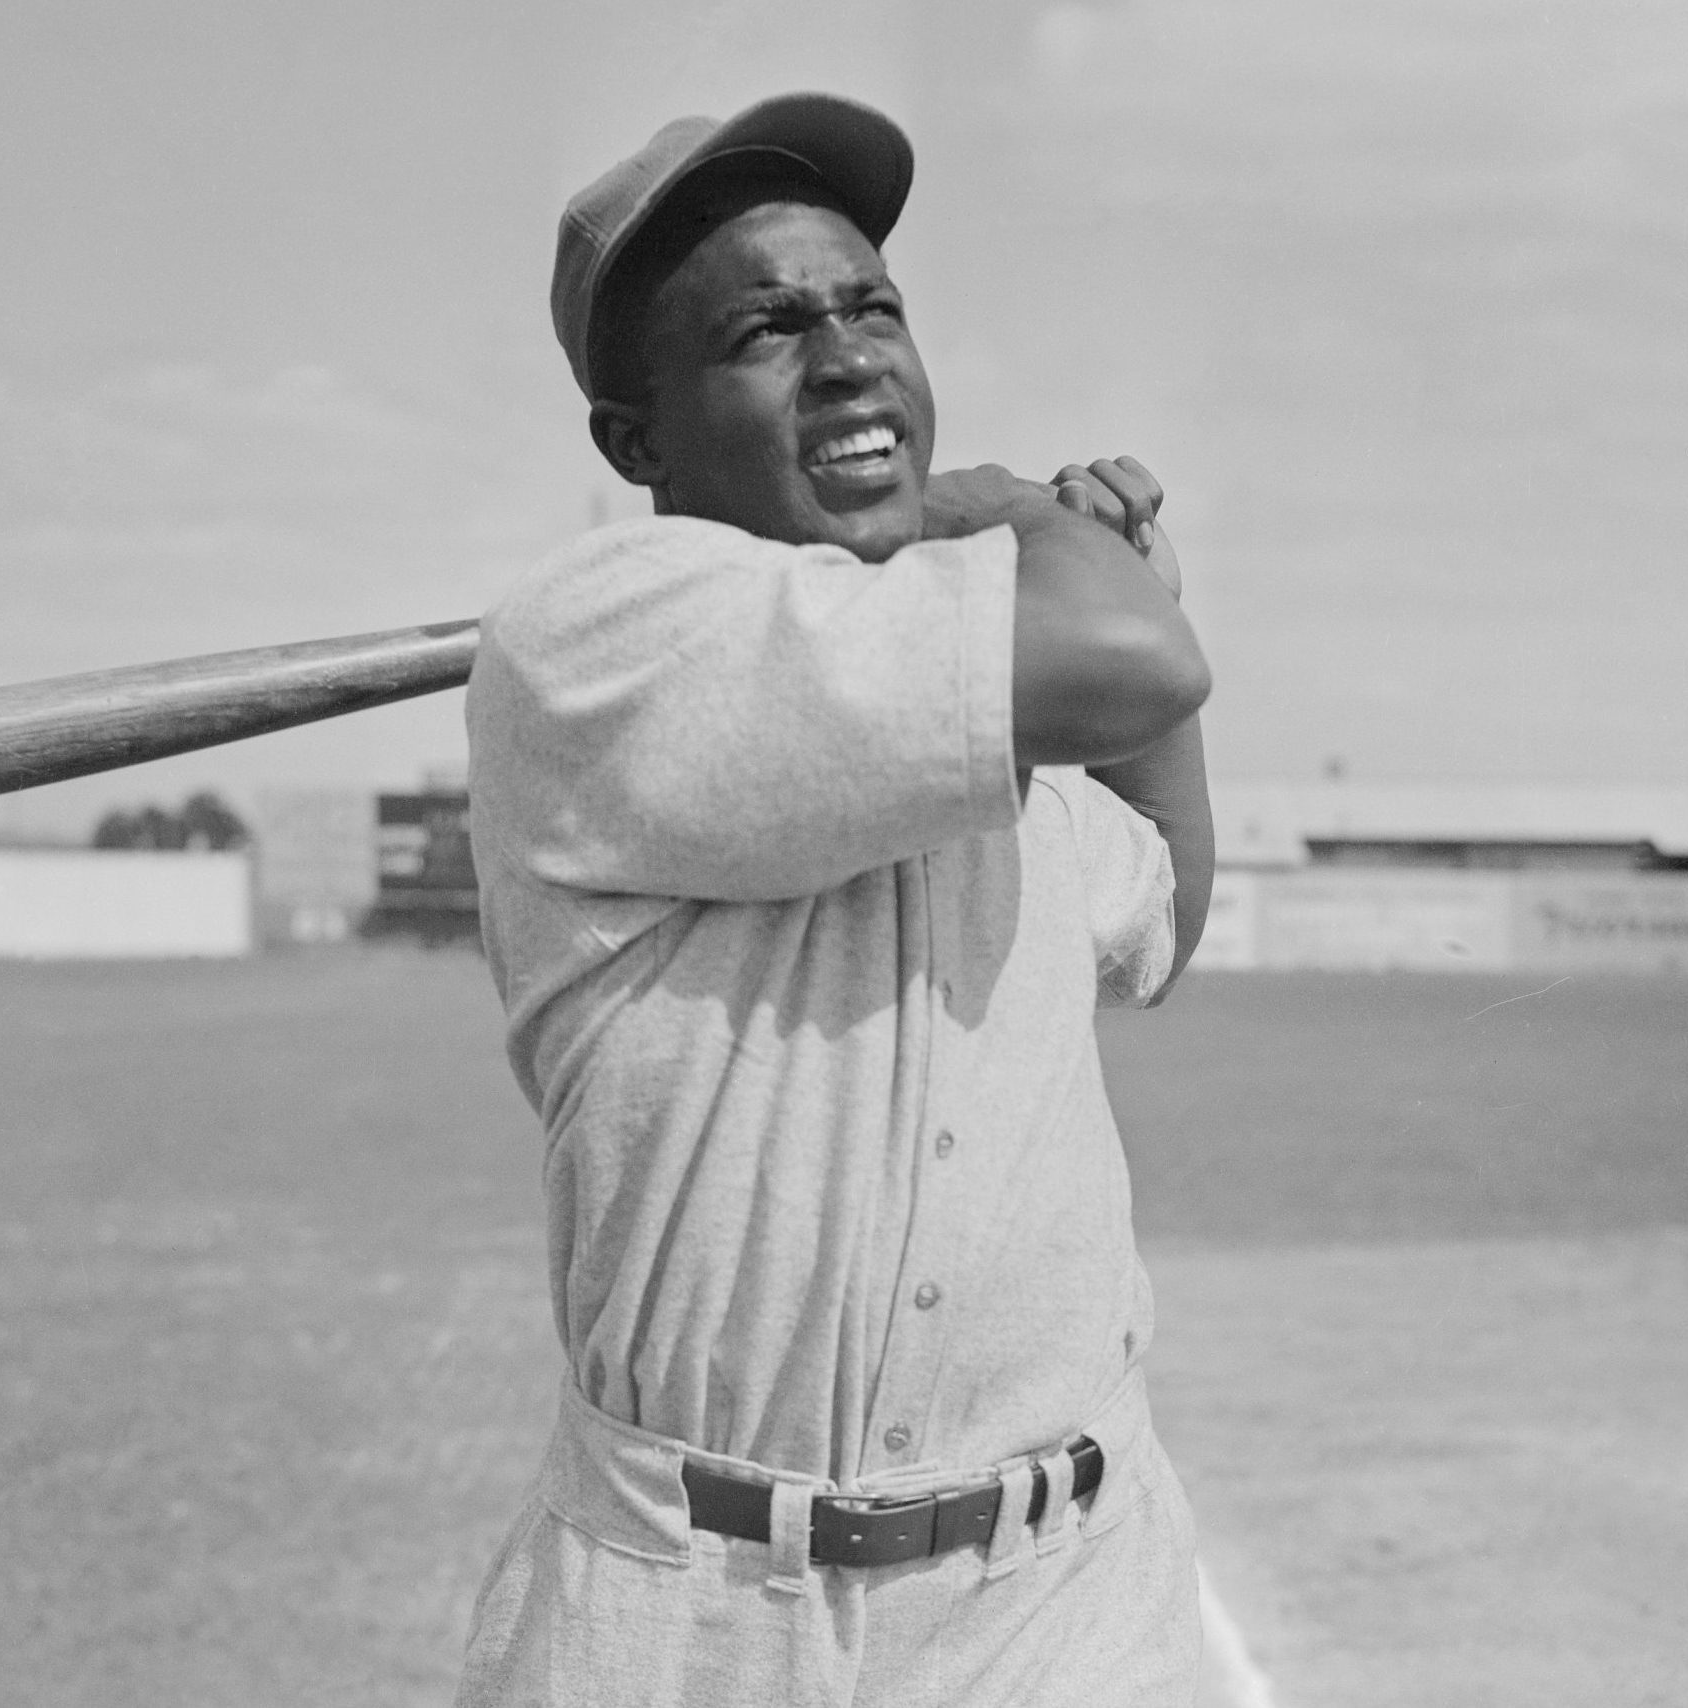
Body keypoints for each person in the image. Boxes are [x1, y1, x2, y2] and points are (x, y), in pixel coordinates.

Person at [457, 91, 1215, 1706]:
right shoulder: (607, 630)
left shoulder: (957, 678)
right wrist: (1015, 518)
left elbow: (1157, 918)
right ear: (635, 439)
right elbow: (1121, 659)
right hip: (702, 1617)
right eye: (767, 330)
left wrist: (1143, 609)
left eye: (876, 306)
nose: (853, 354)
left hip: (1070, 1595)